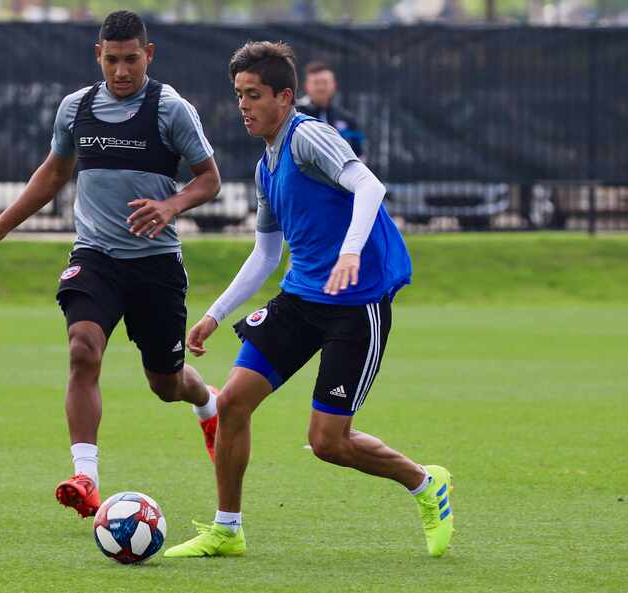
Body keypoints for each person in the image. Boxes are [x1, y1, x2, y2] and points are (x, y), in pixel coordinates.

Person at [164, 41, 454, 559]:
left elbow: (369, 187)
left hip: (355, 306)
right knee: (231, 403)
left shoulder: (310, 137)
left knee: (328, 443)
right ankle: (227, 529)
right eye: (238, 95)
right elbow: (266, 253)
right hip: (300, 301)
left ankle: (424, 483)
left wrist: (349, 253)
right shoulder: (264, 167)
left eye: (254, 95)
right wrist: (214, 313)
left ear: (286, 96)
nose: (244, 106)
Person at [0, 10, 222, 520]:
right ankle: (87, 479)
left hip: (155, 264)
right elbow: (53, 173)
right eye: (111, 60)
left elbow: (209, 179)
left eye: (130, 60)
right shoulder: (75, 108)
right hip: (95, 256)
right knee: (83, 350)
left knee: (165, 384)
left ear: (149, 55)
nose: (121, 71)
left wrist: (170, 206)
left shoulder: (171, 109)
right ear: (97, 56)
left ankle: (208, 404)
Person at [296, 61, 365, 158]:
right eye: (316, 83)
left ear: (334, 85)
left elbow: (359, 156)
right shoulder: (294, 115)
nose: (321, 87)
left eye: (325, 82)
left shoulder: (348, 120)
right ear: (306, 86)